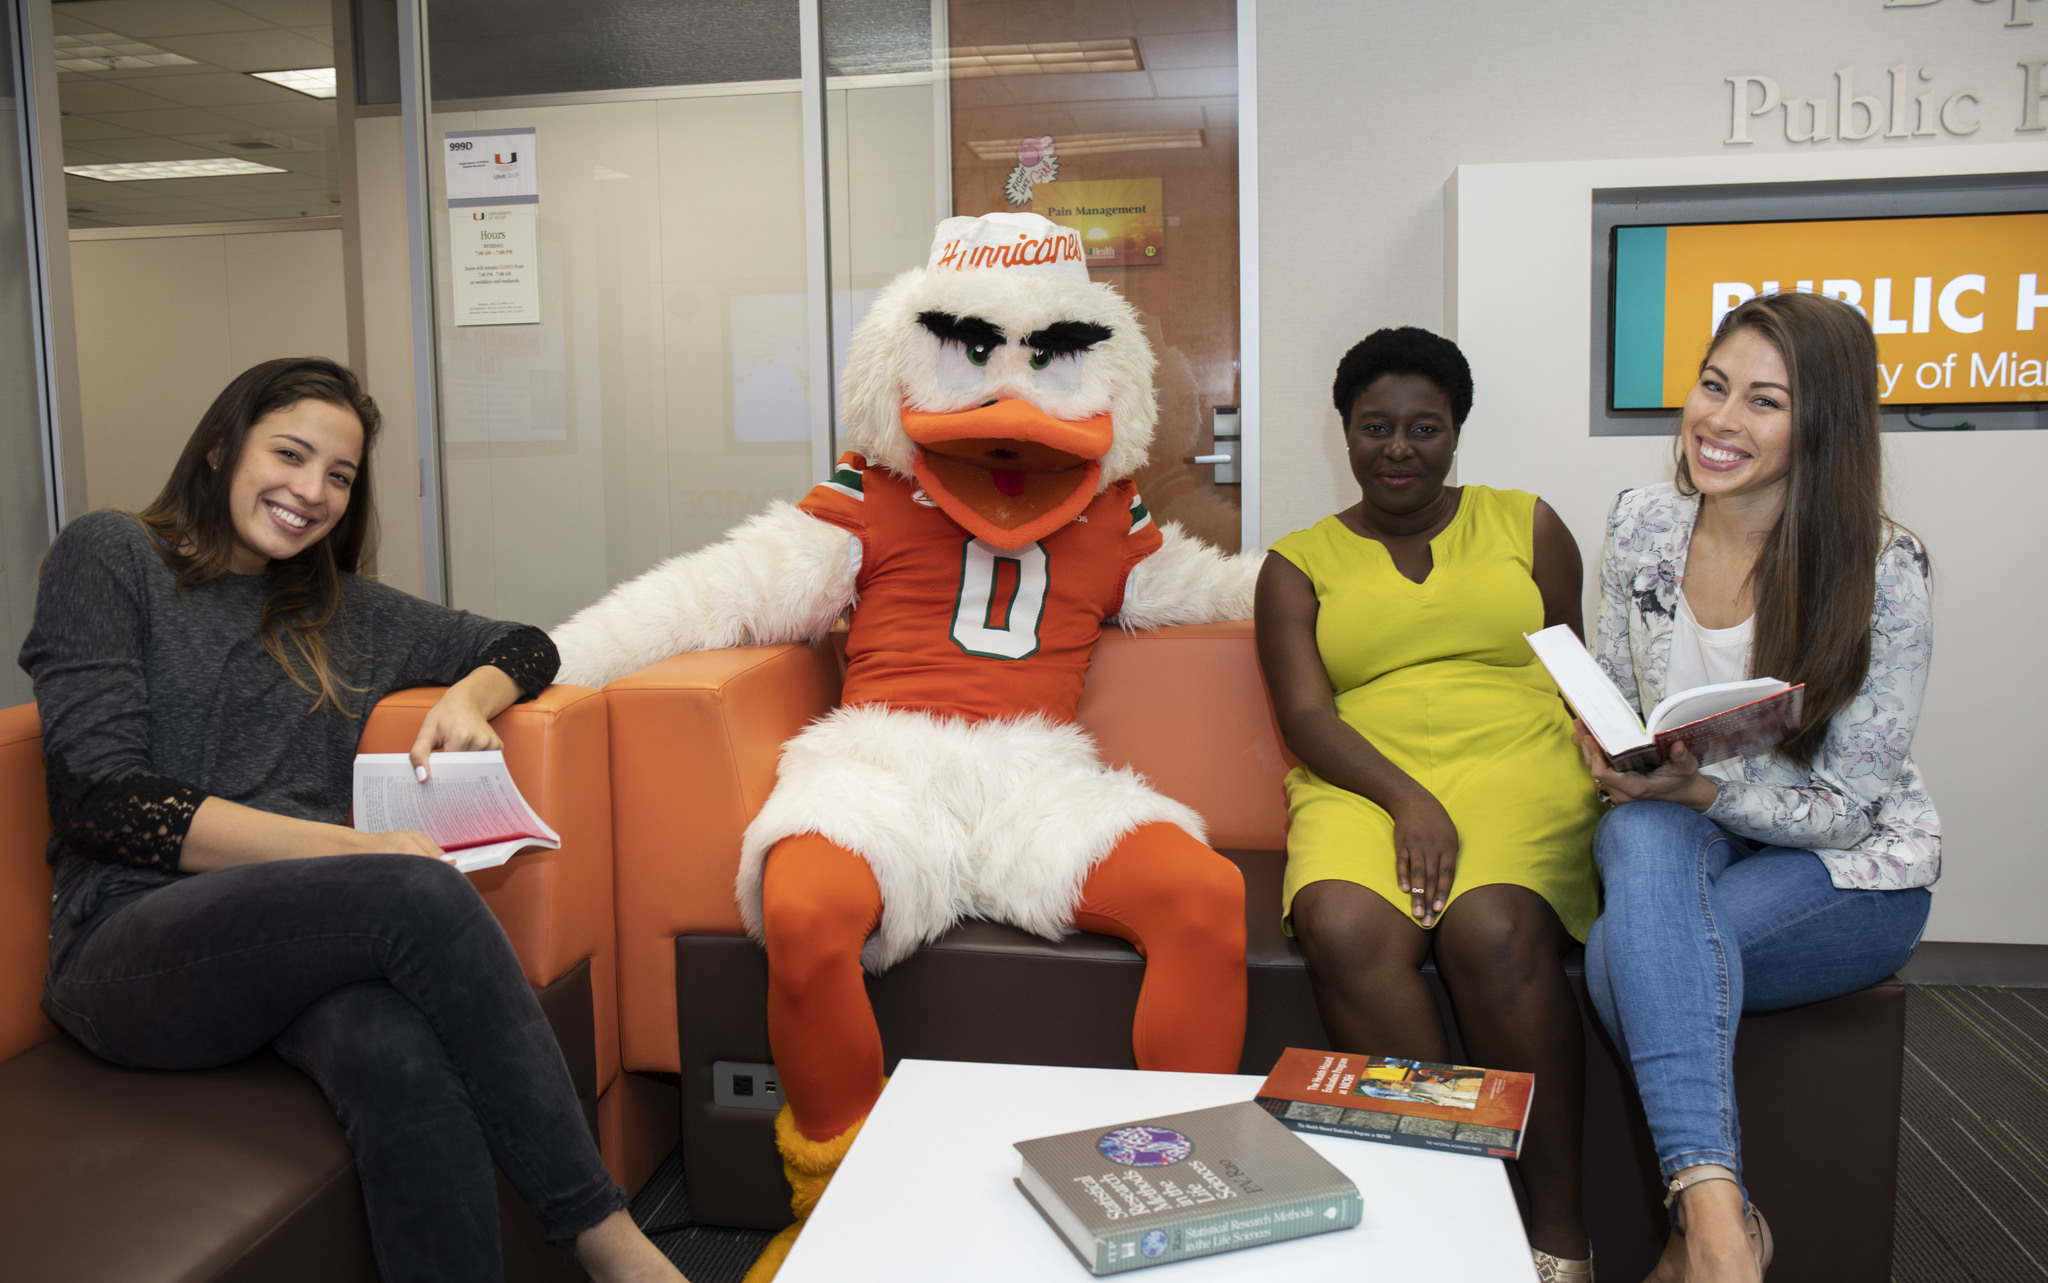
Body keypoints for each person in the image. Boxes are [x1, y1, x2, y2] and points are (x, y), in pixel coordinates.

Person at [21, 357, 686, 1283]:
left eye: (338, 475)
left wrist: (472, 694)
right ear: (219, 448)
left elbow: (529, 644)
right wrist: (355, 852)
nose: (312, 491)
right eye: (290, 454)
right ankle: (613, 1246)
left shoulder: (344, 612)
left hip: (294, 937)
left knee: (396, 1051)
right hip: (130, 942)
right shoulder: (112, 554)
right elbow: (107, 801)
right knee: (411, 890)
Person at [1577, 291, 1937, 1283]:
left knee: (1624, 950)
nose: (1718, 421)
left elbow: (1849, 805)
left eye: (1763, 402)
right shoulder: (1643, 521)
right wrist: (1610, 745)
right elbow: (1616, 683)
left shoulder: (1878, 564)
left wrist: (1700, 796)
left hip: (1847, 869)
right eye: (1710, 385)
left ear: (1819, 423)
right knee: (1631, 839)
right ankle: (1721, 1224)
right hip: (1688, 833)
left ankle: (1700, 1234)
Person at [1255, 327, 1602, 1280]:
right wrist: (1408, 798)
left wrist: (1632, 754)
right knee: (1342, 925)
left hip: (1518, 760)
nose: (1398, 448)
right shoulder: (1297, 561)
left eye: (1424, 428)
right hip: (1362, 772)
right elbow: (1302, 714)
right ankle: (1468, 1219)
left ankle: (1561, 1240)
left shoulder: (1525, 522)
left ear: (1456, 433)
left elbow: (1577, 670)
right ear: (1345, 433)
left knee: (1490, 929)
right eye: (1376, 427)